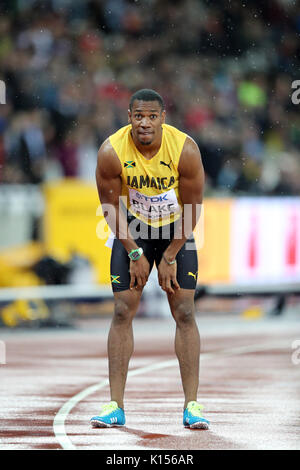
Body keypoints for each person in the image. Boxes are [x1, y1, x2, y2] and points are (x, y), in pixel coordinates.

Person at [90, 89, 209, 429]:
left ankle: (192, 405)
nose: (144, 123)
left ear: (162, 118)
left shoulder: (184, 150)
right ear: (129, 117)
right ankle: (115, 405)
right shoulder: (112, 152)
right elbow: (110, 209)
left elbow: (193, 209)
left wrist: (171, 254)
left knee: (184, 311)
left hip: (176, 230)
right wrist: (134, 251)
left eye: (151, 116)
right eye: (138, 116)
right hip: (135, 229)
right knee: (122, 309)